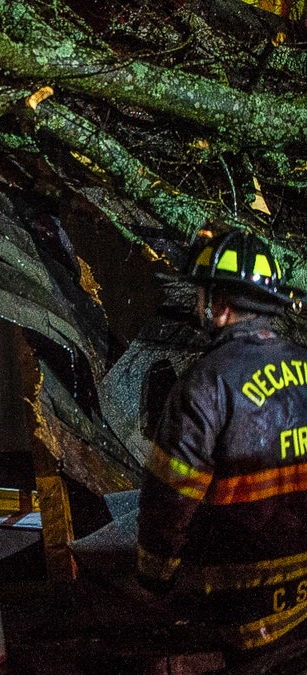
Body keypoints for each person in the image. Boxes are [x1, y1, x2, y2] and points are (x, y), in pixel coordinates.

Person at [137, 229, 307, 666]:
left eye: (202, 295)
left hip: (242, 613)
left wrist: (154, 579)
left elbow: (169, 498)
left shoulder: (204, 385)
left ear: (220, 306)